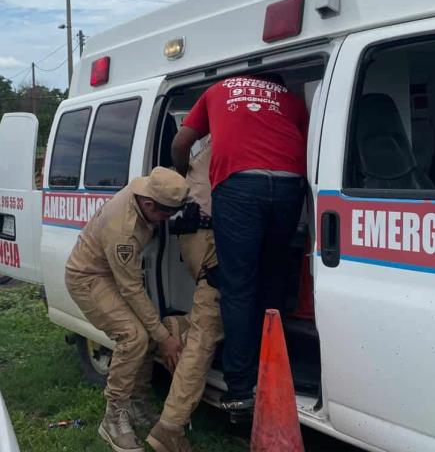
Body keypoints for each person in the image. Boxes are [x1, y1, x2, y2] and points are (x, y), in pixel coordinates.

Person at [171, 73, 307, 417]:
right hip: (291, 183)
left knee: (238, 285)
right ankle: (274, 367)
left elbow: (180, 143)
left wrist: (182, 175)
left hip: (239, 183)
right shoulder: (289, 98)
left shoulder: (218, 90)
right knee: (272, 276)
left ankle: (241, 390)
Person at [65, 166, 189, 452]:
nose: (167, 220)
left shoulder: (146, 189)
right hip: (88, 277)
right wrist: (165, 338)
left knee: (147, 331)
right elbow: (130, 289)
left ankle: (137, 404)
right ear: (148, 204)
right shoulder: (124, 230)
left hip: (109, 274)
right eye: (165, 214)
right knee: (134, 336)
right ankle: (113, 418)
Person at [147, 137, 223, 452]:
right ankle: (170, 427)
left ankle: (175, 329)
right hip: (209, 233)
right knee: (208, 327)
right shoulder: (247, 135)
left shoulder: (208, 141)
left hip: (196, 232)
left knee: (214, 311)